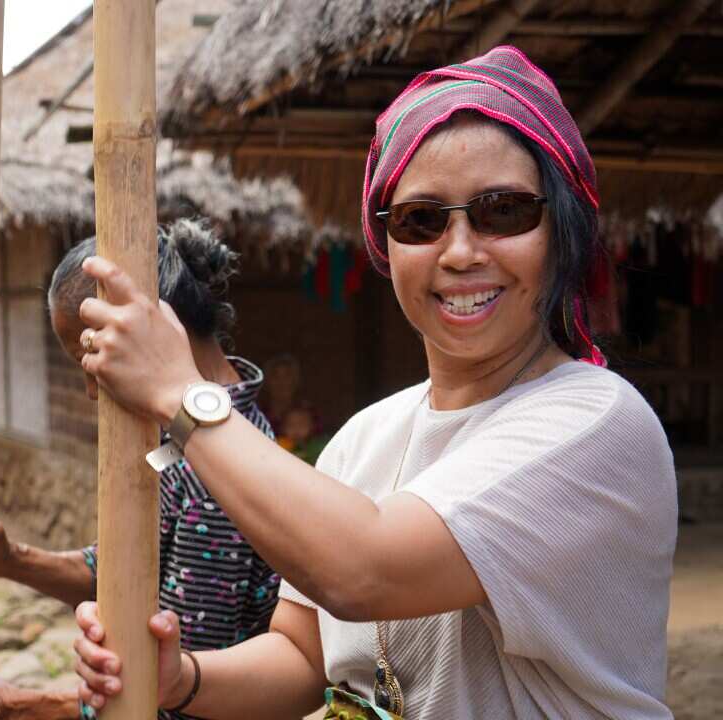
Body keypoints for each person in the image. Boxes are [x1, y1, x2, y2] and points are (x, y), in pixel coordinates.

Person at [71, 46, 676, 719]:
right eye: (421, 221)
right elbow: (304, 658)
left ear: (559, 233)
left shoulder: (594, 423)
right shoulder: (366, 437)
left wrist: (181, 395)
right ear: (386, 246)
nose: (461, 250)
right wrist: (182, 678)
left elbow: (365, 571)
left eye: (503, 211)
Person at [0, 219, 281, 719]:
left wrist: (28, 706)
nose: (91, 390)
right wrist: (15, 560)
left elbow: (178, 694)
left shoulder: (216, 472)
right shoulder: (183, 435)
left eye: (92, 358)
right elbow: (128, 563)